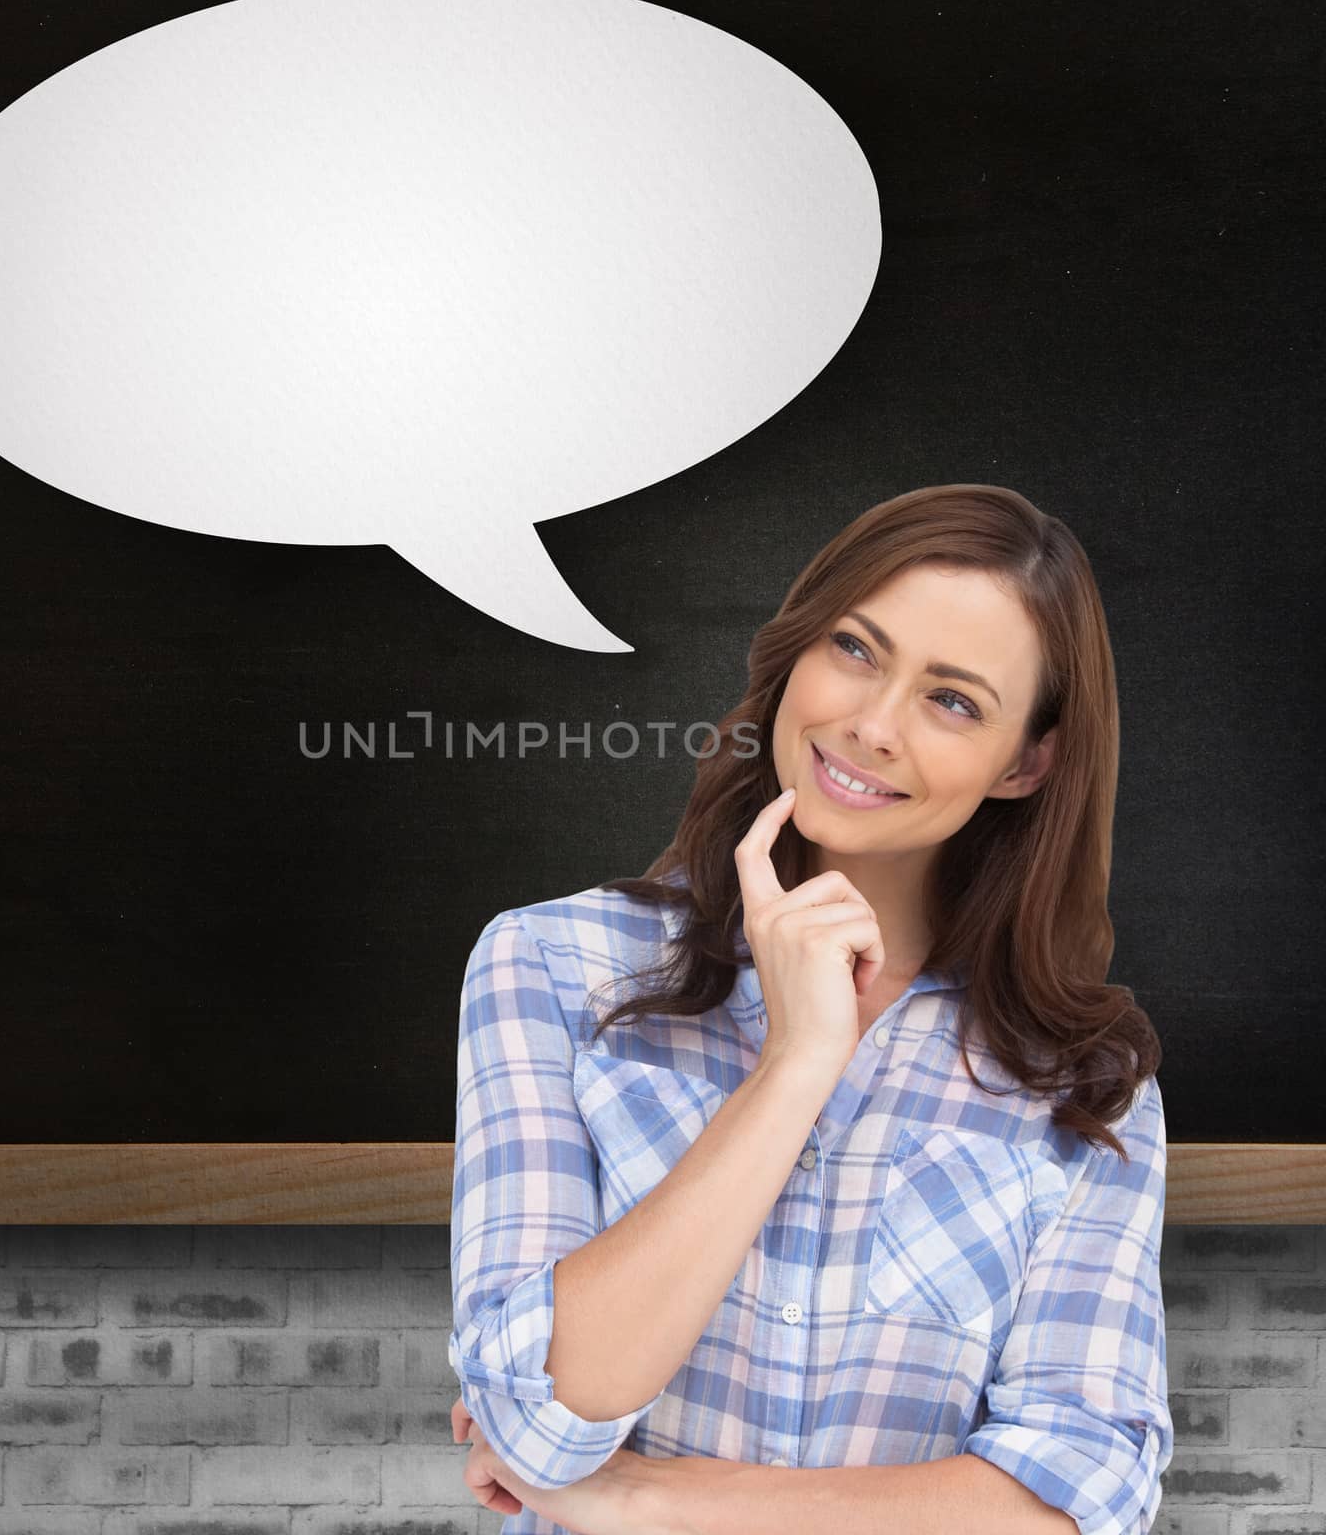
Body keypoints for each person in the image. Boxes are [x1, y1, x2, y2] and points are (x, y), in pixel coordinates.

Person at [445, 484, 1173, 1535]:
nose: (871, 724)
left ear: (1027, 762)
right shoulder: (557, 967)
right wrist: (796, 1064)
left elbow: (1080, 1495)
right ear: (795, 649)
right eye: (856, 649)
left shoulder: (1084, 1084)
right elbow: (534, 1421)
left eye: (953, 700)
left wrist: (635, 1493)